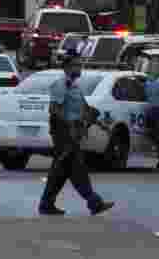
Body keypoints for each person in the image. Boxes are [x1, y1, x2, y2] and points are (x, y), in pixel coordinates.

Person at [39, 53, 114, 216]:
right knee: (77, 169)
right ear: (66, 67)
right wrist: (68, 126)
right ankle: (94, 202)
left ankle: (46, 204)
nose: (79, 68)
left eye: (80, 65)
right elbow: (54, 109)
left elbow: (84, 109)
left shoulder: (74, 86)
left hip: (73, 133)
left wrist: (101, 125)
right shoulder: (61, 84)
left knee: (61, 172)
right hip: (64, 135)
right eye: (76, 65)